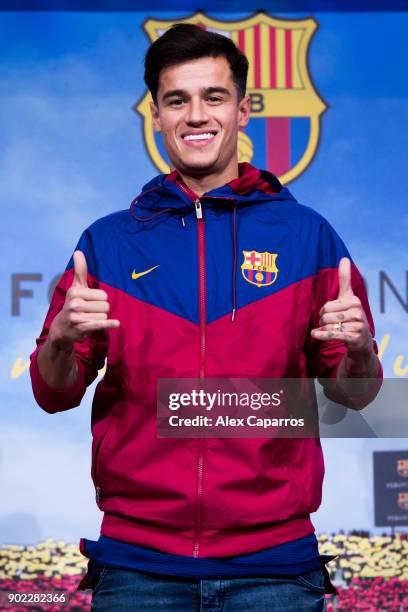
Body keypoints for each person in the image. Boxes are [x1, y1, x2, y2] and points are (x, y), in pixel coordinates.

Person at [30, 23, 382, 611]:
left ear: (243, 111)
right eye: (177, 100)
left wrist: (362, 352)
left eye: (213, 97)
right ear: (157, 117)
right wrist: (62, 341)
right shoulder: (108, 243)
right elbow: (53, 393)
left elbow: (357, 393)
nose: (196, 116)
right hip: (137, 566)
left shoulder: (308, 237)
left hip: (274, 570)